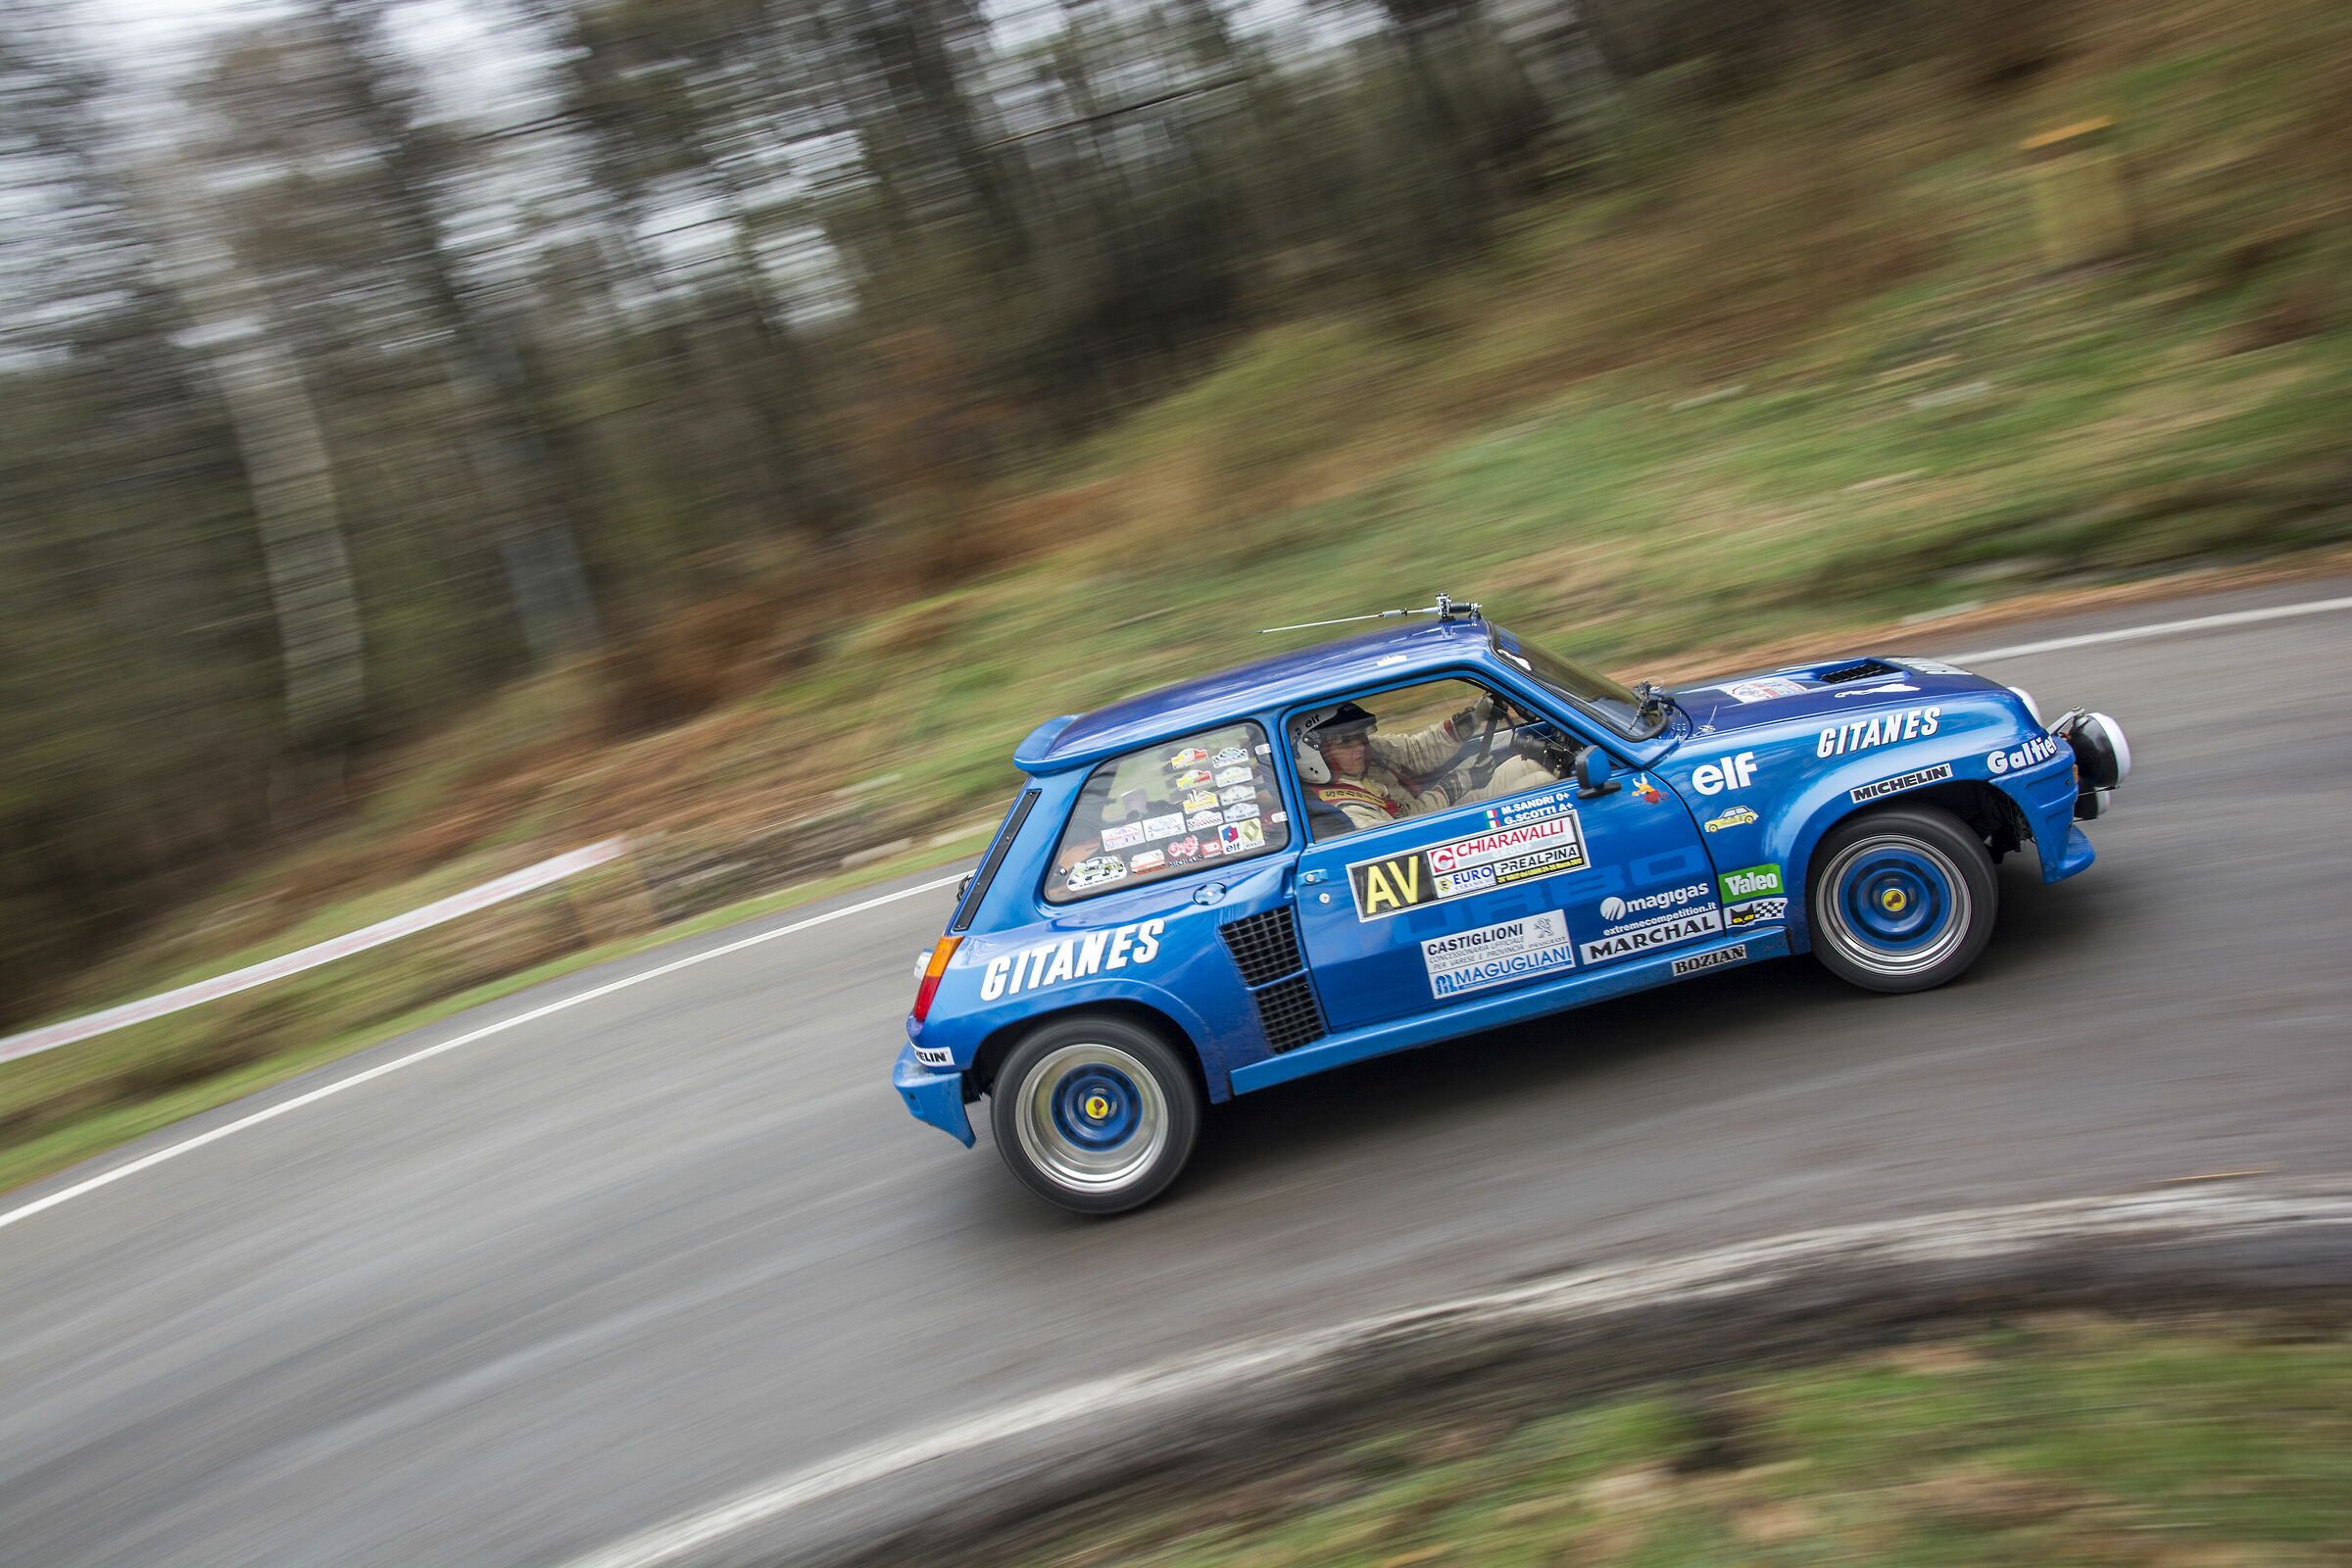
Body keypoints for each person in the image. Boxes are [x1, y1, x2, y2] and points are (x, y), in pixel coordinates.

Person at [1297, 696, 1559, 833]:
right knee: (1539, 788)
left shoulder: (1368, 752)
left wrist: (1476, 715)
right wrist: (1457, 783)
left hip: (1437, 812)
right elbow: (1406, 831)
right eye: (1344, 743)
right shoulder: (1344, 809)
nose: (1359, 748)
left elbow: (1417, 751)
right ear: (1312, 753)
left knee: (1523, 767)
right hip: (1436, 837)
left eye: (1360, 738)